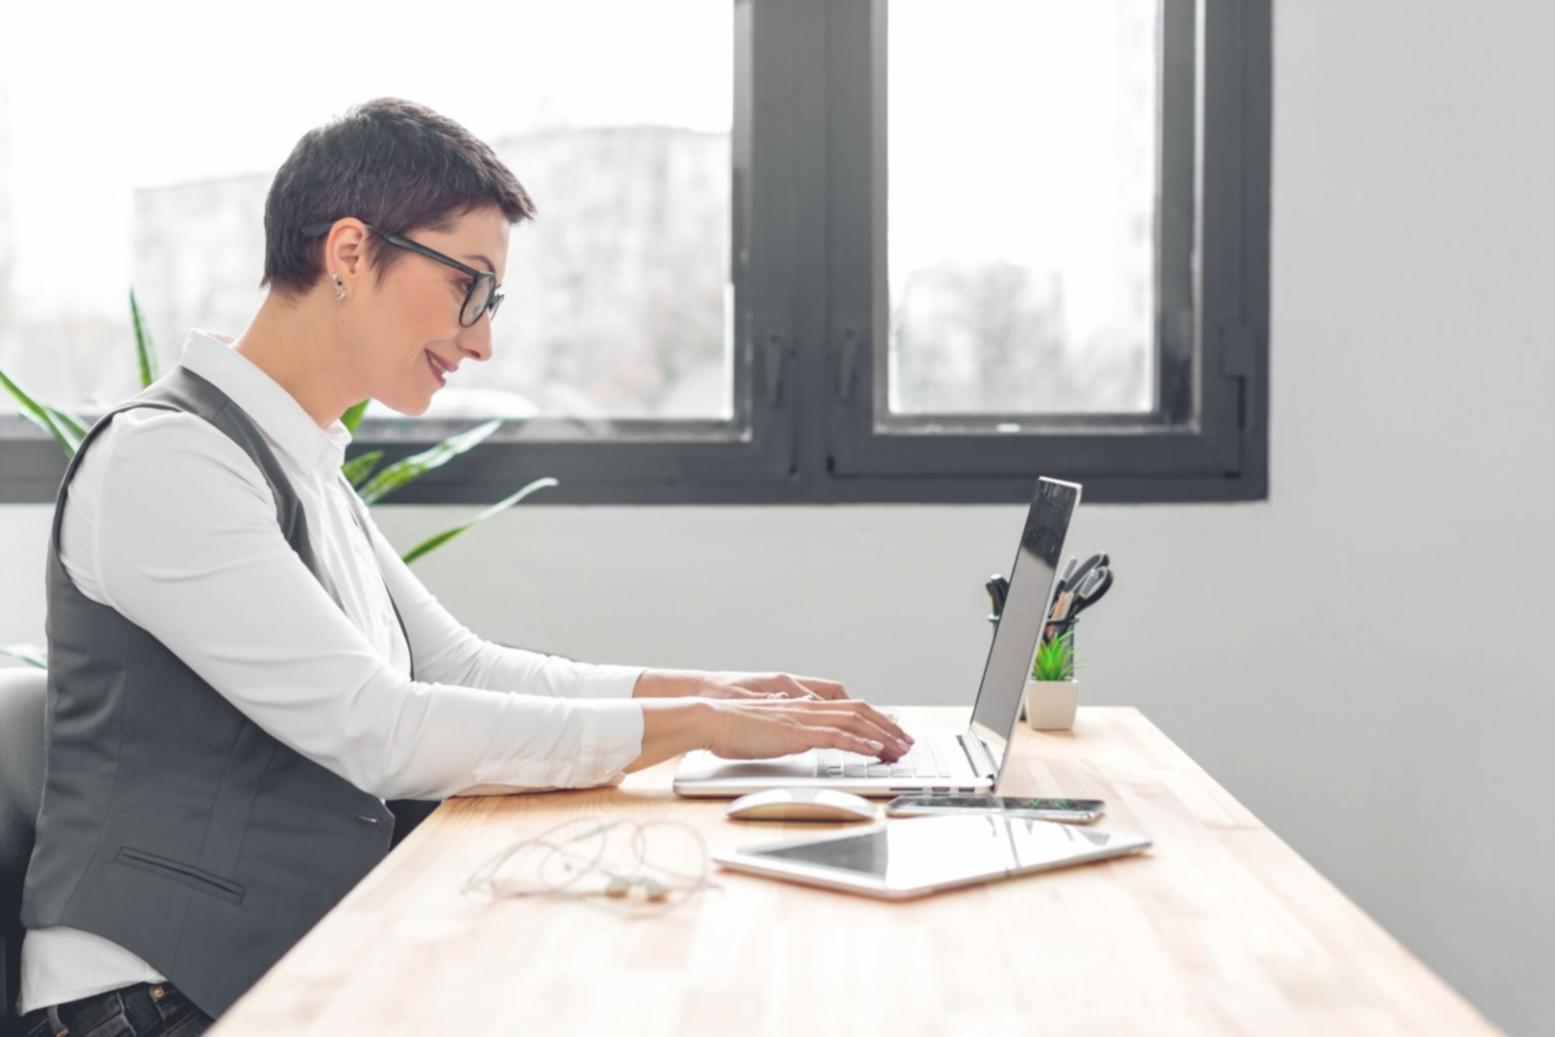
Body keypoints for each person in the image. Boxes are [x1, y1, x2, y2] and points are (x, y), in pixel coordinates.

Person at [14, 97, 911, 1037]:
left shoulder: (297, 463)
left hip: (263, 971)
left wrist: (724, 696)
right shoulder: (168, 463)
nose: (482, 339)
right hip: (149, 1007)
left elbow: (462, 668)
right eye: (468, 287)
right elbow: (378, 727)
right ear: (350, 252)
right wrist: (693, 723)